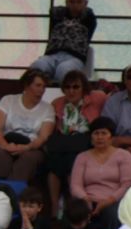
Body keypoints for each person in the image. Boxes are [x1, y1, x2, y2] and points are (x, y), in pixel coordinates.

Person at [45, 69, 106, 206]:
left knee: (73, 160)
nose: (71, 91)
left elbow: (111, 97)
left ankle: (74, 205)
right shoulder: (58, 103)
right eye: (67, 87)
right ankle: (55, 206)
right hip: (65, 142)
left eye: (76, 87)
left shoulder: (96, 98)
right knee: (54, 162)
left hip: (86, 141)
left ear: (83, 87)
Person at [69, 116, 131, 229]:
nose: (100, 137)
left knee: (111, 214)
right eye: (96, 133)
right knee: (75, 213)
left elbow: (127, 184)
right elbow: (75, 185)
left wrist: (109, 200)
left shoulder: (124, 155)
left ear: (111, 137)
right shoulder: (82, 157)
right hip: (88, 199)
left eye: (104, 133)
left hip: (114, 200)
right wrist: (85, 198)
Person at [0, 70, 53, 186]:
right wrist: (5, 145)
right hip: (7, 142)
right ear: (27, 86)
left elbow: (44, 137)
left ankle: (14, 194)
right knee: (0, 155)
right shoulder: (8, 100)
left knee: (27, 159)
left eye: (44, 87)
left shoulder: (48, 109)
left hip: (32, 147)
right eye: (38, 85)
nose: (42, 90)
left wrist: (26, 147)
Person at [30, 0, 96, 81]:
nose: (75, 5)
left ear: (85, 3)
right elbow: (53, 12)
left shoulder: (88, 20)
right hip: (52, 55)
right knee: (37, 66)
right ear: (66, 2)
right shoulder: (57, 17)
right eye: (72, 2)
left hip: (74, 57)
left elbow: (88, 13)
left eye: (79, 2)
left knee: (63, 70)